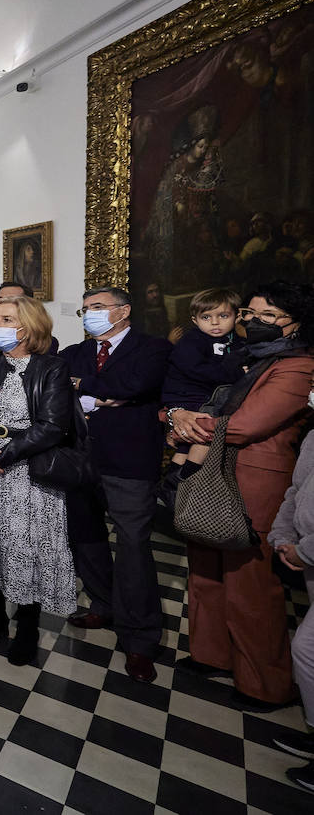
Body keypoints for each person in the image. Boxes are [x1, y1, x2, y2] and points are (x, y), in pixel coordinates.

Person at [170, 281, 314, 708]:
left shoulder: (298, 366)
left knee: (249, 582)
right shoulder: (247, 361)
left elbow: (248, 423)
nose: (255, 323)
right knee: (206, 569)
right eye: (250, 315)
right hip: (214, 471)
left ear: (294, 322)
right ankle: (212, 654)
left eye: (267, 316)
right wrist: (178, 412)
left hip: (256, 479)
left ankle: (263, 684)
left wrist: (186, 423)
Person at [59, 286, 172, 683]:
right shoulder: (74, 353)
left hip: (129, 462)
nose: (90, 314)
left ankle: (139, 639)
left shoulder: (152, 348)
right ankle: (103, 603)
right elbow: (60, 385)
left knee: (133, 546)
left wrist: (85, 388)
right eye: (86, 309)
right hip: (79, 461)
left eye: (98, 308)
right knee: (84, 536)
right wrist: (99, 394)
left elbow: (133, 385)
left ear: (124, 310)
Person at [0, 297, 77, 666]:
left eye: (6, 319)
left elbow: (53, 426)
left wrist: (3, 457)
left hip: (28, 472)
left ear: (27, 327)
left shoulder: (52, 368)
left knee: (26, 547)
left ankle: (27, 625)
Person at [269, 407, 314, 793]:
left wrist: (308, 550)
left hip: (309, 551)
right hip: (301, 548)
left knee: (307, 648)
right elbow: (296, 489)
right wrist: (283, 536)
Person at [160, 288, 244, 485]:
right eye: (206, 317)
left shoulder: (237, 341)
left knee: (186, 445)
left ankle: (171, 482)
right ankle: (185, 477)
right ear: (195, 320)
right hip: (187, 394)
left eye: (223, 316)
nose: (215, 322)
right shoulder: (192, 340)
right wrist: (238, 373)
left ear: (237, 316)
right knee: (205, 432)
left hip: (206, 393)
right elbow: (196, 369)